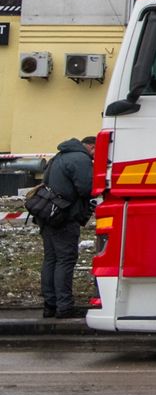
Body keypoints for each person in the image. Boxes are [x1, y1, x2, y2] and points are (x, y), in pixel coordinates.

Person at [38, 136, 93, 319]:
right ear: (91, 147)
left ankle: (50, 305)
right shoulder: (80, 158)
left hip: (47, 214)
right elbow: (87, 188)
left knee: (51, 259)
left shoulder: (59, 156)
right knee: (65, 260)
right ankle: (64, 307)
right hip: (65, 217)